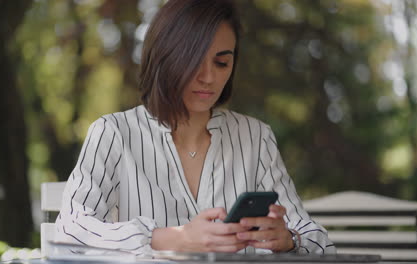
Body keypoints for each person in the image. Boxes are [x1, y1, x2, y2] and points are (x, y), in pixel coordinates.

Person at [55, 0, 336, 257]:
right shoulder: (114, 133)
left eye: (222, 62)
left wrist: (289, 240)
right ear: (166, 57)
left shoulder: (256, 137)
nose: (209, 77)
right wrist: (172, 238)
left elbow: (319, 241)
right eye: (194, 61)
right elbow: (69, 230)